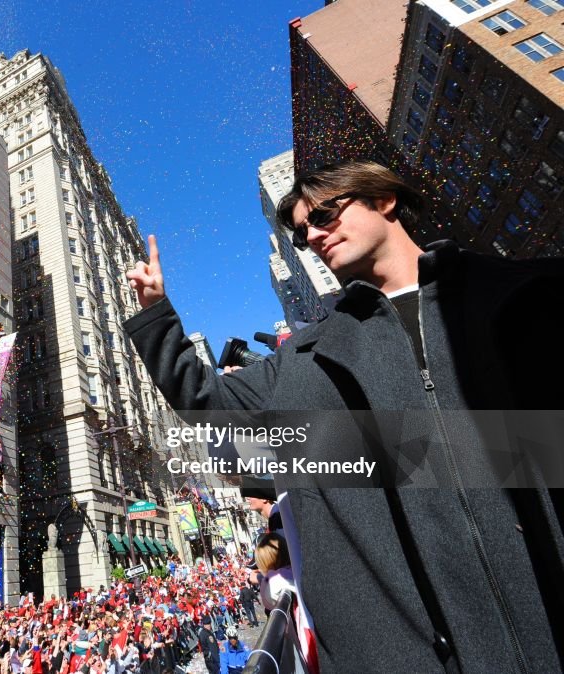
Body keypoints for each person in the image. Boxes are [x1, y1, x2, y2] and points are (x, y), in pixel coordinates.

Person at [123, 160, 564, 672]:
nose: (312, 235)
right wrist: (156, 312)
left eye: (326, 214)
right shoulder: (306, 357)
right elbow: (208, 405)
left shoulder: (529, 295)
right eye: (302, 231)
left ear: (384, 199)